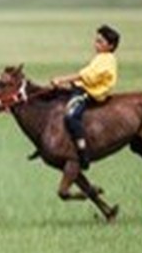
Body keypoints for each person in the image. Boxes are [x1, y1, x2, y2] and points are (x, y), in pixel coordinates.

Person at [50, 24, 120, 170]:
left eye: (101, 42)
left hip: (91, 93)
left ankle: (82, 150)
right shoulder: (100, 57)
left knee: (71, 116)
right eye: (96, 41)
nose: (96, 44)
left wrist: (62, 79)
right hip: (83, 89)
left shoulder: (107, 60)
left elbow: (87, 76)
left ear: (111, 45)